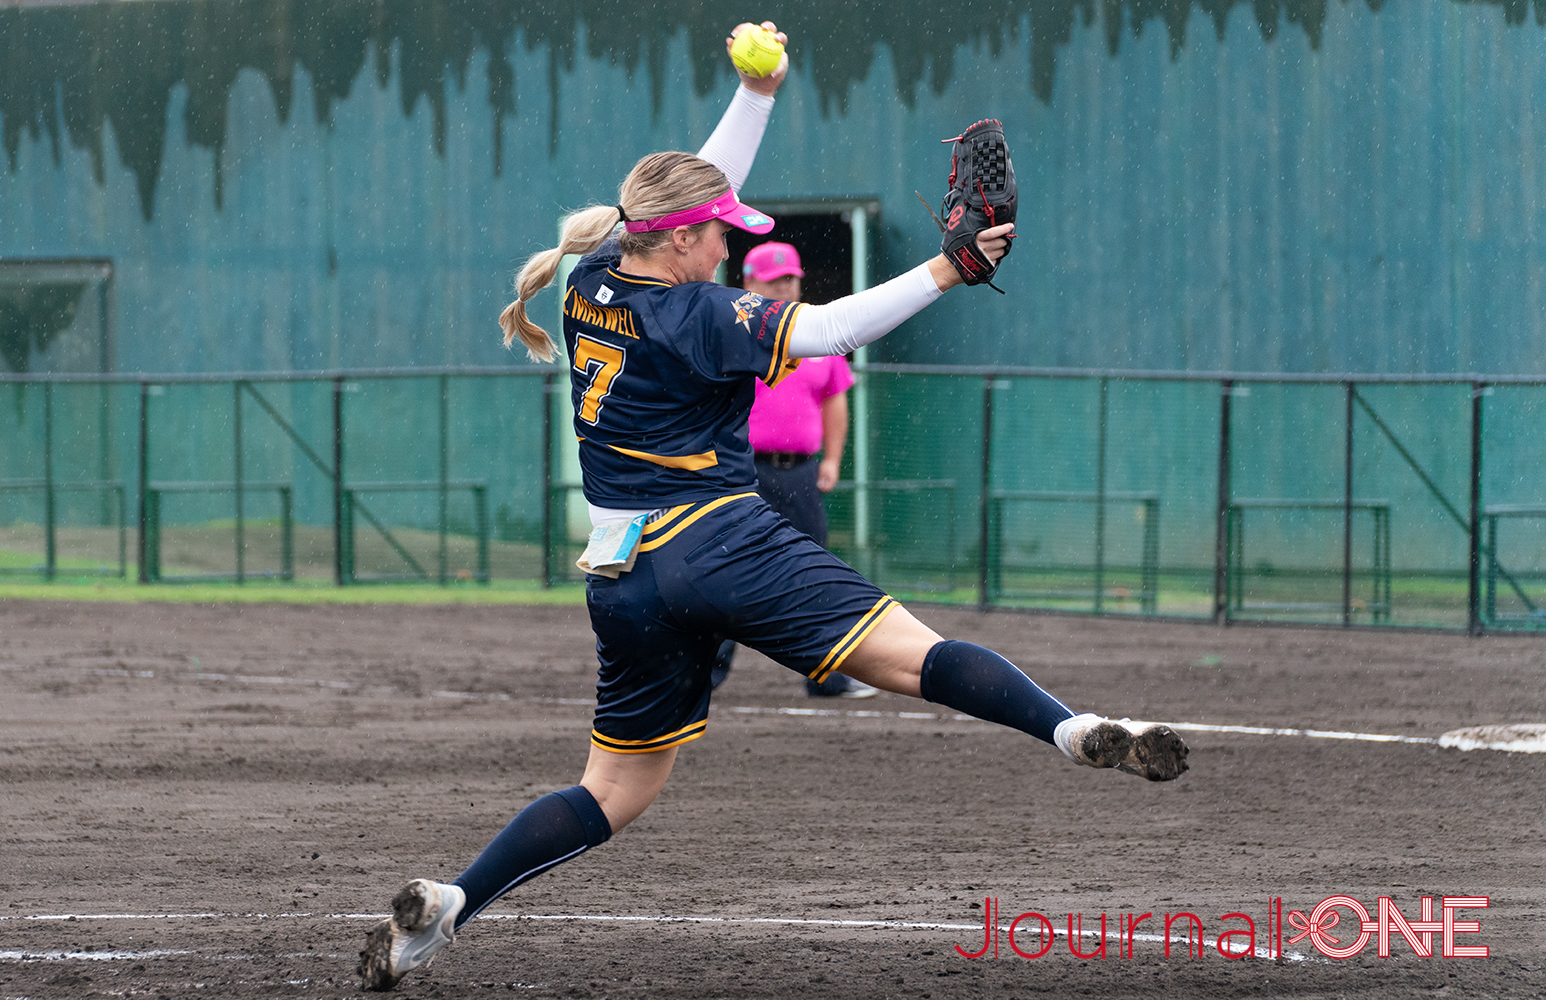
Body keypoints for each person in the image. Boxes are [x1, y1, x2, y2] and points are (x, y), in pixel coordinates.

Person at [358, 21, 1189, 992]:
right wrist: (949, 270)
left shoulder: (592, 280)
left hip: (623, 577)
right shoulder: (703, 313)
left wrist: (758, 93)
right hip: (719, 540)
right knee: (913, 655)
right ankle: (1068, 727)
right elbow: (831, 327)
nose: (730, 239)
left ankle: (449, 907)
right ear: (679, 242)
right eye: (722, 232)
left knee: (610, 791)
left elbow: (689, 190)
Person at [709, 240, 874, 698]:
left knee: (813, 572)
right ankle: (703, 676)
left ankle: (826, 675)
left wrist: (834, 460)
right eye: (774, 279)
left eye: (791, 279)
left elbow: (834, 403)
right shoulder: (734, 332)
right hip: (741, 472)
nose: (785, 286)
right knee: (727, 571)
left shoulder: (818, 338)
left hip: (800, 474)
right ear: (749, 284)